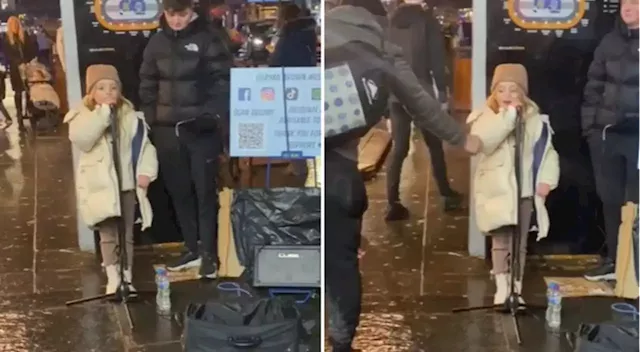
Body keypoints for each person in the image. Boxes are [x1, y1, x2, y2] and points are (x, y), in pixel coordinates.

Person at [324, 1, 482, 350]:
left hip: (299, 167)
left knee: (290, 254)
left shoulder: (317, 35)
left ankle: (283, 331)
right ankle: (340, 341)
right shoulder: (381, 48)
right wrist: (460, 137)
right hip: (339, 170)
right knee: (341, 264)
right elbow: (420, 98)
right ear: (377, 19)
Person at [138, 0, 232, 279]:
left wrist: (211, 117)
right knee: (180, 192)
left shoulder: (209, 39)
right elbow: (147, 82)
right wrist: (151, 118)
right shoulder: (156, 43)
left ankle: (210, 254)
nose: (176, 20)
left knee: (205, 193)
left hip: (200, 130)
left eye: (181, 14)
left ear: (191, 13)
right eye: (171, 14)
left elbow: (223, 81)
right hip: (167, 131)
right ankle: (192, 247)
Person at [468, 64, 559, 306]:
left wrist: (546, 180)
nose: (507, 96)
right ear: (493, 93)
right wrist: (507, 116)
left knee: (519, 242)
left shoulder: (535, 121)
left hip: (524, 190)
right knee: (501, 240)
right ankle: (501, 284)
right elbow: (485, 141)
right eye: (501, 90)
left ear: (523, 93)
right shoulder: (484, 118)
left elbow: (546, 152)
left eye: (513, 90)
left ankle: (515, 286)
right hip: (497, 190)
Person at [64, 64, 158, 295]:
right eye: (102, 88)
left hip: (125, 184)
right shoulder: (82, 116)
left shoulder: (131, 117)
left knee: (127, 233)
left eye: (113, 88)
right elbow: (83, 139)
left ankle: (127, 275)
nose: (108, 92)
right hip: (102, 187)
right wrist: (103, 115)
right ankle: (113, 276)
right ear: (91, 92)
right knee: (108, 234)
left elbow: (144, 147)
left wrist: (145, 172)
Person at [386, 0, 461, 219]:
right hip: (421, 92)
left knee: (398, 148)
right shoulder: (427, 21)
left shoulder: (391, 21)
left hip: (395, 91)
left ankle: (392, 203)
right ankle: (447, 194)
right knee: (435, 145)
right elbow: (437, 58)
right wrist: (443, 92)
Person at [581, 0, 640, 282]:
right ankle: (614, 261)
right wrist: (591, 128)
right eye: (625, 1)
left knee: (635, 202)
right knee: (610, 200)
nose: (628, 6)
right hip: (606, 135)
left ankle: (634, 265)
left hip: (638, 138)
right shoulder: (609, 41)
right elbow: (593, 86)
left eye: (636, 2)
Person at [270, 3, 318, 179]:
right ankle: (299, 163)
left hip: (290, 84)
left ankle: (299, 166)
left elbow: (279, 60)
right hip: (303, 82)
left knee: (291, 126)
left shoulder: (290, 34)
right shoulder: (306, 31)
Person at [3, 16, 36, 131]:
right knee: (18, 92)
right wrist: (17, 62)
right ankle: (19, 116)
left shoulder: (24, 36)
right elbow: (7, 54)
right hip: (15, 69)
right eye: (12, 24)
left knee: (28, 91)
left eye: (16, 24)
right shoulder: (6, 38)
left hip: (26, 67)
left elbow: (31, 50)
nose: (14, 26)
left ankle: (28, 111)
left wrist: (26, 62)